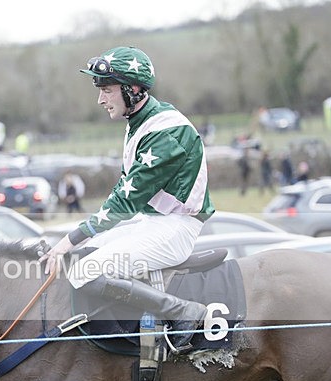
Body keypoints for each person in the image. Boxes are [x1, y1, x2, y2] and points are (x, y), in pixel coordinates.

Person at [41, 46, 215, 354]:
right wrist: (77, 241)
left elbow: (125, 202)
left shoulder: (164, 132)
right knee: (85, 254)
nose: (100, 99)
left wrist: (69, 239)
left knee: (85, 271)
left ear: (132, 90)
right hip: (152, 222)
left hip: (174, 228)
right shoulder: (139, 122)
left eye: (106, 90)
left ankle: (183, 312)